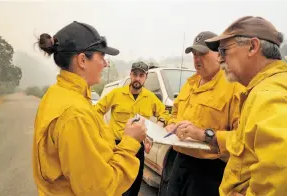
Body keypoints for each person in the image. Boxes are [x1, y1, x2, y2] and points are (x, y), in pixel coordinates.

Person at [32, 21, 147, 196]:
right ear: (83, 60)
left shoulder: (59, 94)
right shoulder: (75, 114)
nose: (105, 64)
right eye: (101, 57)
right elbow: (99, 189)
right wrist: (130, 142)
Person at [177, 16, 287, 195]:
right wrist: (207, 136)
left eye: (224, 50)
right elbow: (244, 143)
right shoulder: (260, 90)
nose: (220, 58)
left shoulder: (269, 94)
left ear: (252, 47)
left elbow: (281, 165)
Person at [162, 31, 245, 196]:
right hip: (179, 161)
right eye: (194, 54)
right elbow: (175, 112)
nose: (196, 59)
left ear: (218, 54)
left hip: (210, 171)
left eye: (202, 54)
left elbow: (241, 140)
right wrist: (171, 124)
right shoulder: (190, 83)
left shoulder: (234, 86)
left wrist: (201, 134)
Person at [95, 61, 170, 196]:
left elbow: (164, 113)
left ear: (145, 77)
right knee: (115, 185)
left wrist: (157, 128)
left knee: (135, 184)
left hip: (137, 148)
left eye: (141, 75)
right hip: (116, 146)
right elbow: (96, 111)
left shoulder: (150, 97)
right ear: (130, 74)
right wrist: (103, 133)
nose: (137, 78)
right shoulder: (116, 94)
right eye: (135, 74)